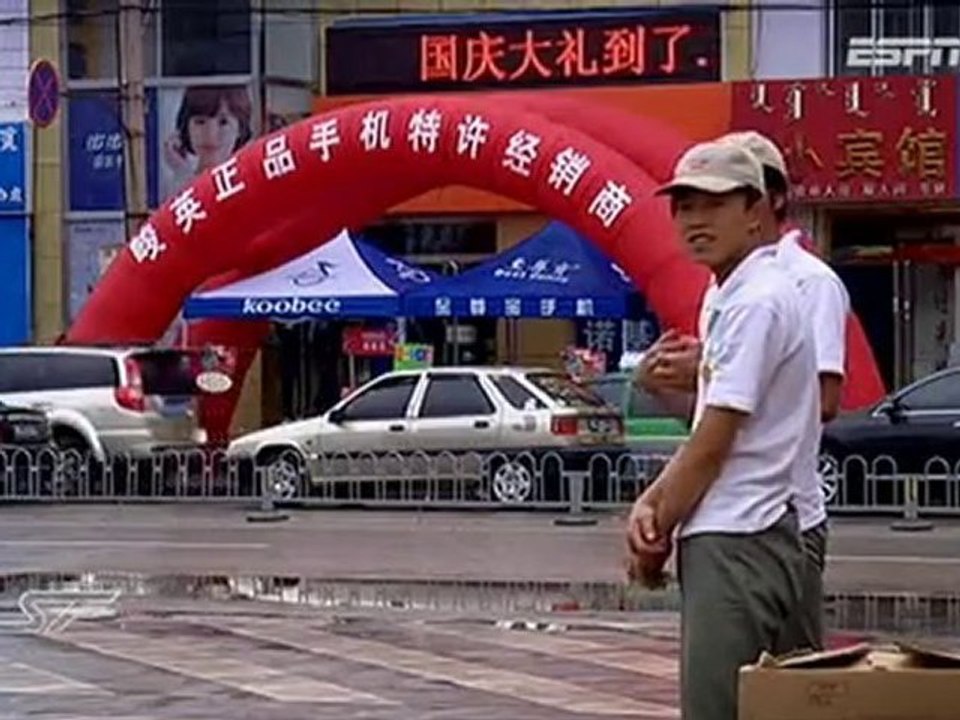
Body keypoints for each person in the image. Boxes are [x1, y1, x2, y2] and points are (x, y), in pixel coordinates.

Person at [626, 140, 818, 720]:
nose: (694, 220)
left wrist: (655, 526)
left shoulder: (758, 300)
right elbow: (711, 424)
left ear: (755, 209)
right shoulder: (730, 294)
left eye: (712, 204)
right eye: (683, 206)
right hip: (745, 527)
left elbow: (715, 442)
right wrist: (653, 499)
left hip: (741, 535)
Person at [162, 85, 253, 199]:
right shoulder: (174, 184)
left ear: (240, 128)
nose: (211, 134)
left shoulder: (249, 182)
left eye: (223, 122)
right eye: (200, 122)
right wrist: (182, 172)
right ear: (186, 127)